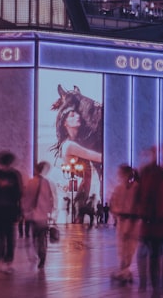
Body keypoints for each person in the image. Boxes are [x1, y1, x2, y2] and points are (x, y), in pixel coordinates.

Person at [50, 85, 104, 226]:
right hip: (78, 188)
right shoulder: (70, 145)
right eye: (72, 115)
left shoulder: (77, 142)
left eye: (77, 113)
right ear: (65, 123)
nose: (78, 115)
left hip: (82, 188)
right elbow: (99, 157)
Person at [136, 145, 163, 295]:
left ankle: (155, 286)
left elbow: (141, 198)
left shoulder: (153, 176)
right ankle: (159, 286)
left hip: (154, 222)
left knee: (155, 255)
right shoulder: (159, 176)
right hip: (160, 222)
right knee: (162, 254)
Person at [21, 161, 56, 269]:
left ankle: (37, 254)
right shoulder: (48, 183)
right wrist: (51, 213)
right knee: (42, 237)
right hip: (43, 216)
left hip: (32, 215)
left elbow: (26, 199)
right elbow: (52, 199)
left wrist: (25, 212)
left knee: (35, 237)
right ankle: (42, 257)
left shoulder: (31, 182)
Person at [109, 164, 140, 284]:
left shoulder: (136, 188)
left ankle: (125, 270)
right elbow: (113, 204)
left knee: (129, 246)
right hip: (124, 221)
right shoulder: (119, 188)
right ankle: (125, 270)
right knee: (124, 246)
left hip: (132, 220)